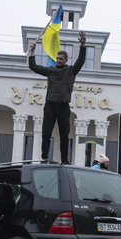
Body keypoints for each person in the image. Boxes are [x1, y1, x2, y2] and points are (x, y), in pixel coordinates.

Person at [28, 31, 87, 164]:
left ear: (66, 60)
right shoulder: (50, 70)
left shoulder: (71, 71)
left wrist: (83, 46)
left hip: (64, 106)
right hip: (50, 105)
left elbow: (81, 61)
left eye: (61, 59)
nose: (58, 60)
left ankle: (64, 160)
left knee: (64, 135)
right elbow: (34, 67)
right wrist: (32, 52)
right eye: (57, 58)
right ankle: (44, 157)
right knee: (46, 133)